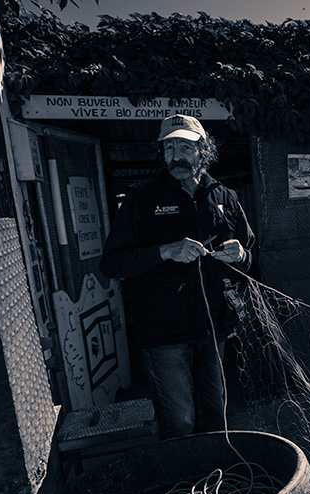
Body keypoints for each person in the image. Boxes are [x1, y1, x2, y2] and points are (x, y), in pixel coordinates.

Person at [100, 114, 255, 439]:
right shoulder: (141, 198)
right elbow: (112, 264)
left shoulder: (225, 197)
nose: (176, 155)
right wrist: (164, 251)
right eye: (169, 147)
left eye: (185, 146)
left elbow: (249, 256)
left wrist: (240, 255)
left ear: (203, 150)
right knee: (181, 421)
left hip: (214, 326)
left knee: (216, 412)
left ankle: (216, 477)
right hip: (164, 332)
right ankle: (185, 483)